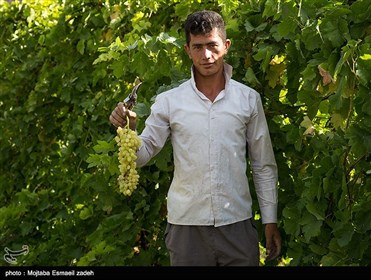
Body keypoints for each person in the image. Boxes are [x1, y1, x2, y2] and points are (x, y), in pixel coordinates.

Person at [109, 10, 281, 266]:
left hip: (237, 225)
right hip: (186, 230)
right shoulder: (170, 102)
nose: (207, 56)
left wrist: (270, 220)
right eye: (198, 47)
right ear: (187, 49)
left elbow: (263, 164)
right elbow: (142, 157)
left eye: (212, 45)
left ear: (226, 46)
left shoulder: (248, 99)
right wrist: (130, 129)